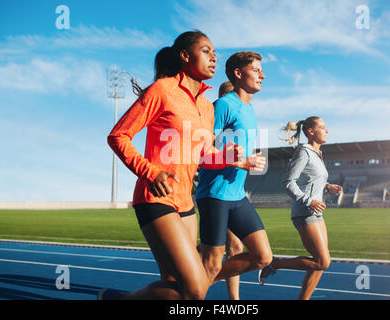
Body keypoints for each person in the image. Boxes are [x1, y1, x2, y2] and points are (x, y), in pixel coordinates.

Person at [103, 30, 245, 300]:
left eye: (215, 52)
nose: (214, 57)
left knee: (174, 290)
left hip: (186, 204)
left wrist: (227, 157)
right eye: (206, 51)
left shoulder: (207, 106)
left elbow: (203, 156)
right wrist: (149, 171)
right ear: (184, 55)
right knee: (196, 290)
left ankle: (117, 299)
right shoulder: (163, 90)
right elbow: (118, 136)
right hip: (155, 199)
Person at [196, 51, 272, 291]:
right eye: (256, 70)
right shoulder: (223, 106)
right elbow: (199, 153)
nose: (263, 75)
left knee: (263, 257)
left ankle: (195, 282)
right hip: (215, 195)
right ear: (238, 73)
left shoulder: (249, 110)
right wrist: (238, 162)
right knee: (211, 265)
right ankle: (189, 287)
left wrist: (247, 161)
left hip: (237, 196)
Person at [258, 116, 343, 300]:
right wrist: (308, 201)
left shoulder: (317, 153)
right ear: (310, 132)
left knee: (319, 263)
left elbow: (311, 178)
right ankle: (274, 264)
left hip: (316, 213)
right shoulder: (303, 151)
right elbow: (288, 181)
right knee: (322, 261)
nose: (327, 130)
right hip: (305, 212)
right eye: (322, 127)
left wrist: (328, 186)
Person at [218, 80, 245, 300]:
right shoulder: (216, 119)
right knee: (233, 246)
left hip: (236, 192)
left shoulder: (240, 124)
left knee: (228, 248)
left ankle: (189, 276)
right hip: (218, 191)